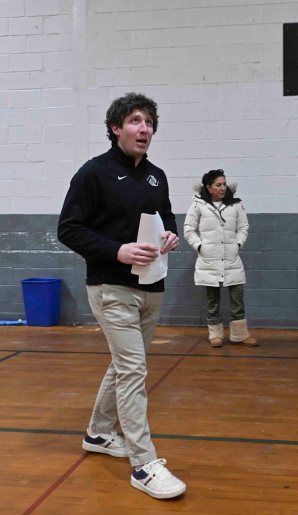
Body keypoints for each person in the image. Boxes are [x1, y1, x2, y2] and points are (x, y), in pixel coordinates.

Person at [57, 93, 186, 498]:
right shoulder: (92, 173)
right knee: (133, 370)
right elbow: (69, 229)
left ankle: (97, 434)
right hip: (111, 288)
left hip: (152, 286)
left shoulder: (156, 176)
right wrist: (117, 250)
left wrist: (170, 235)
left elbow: (166, 218)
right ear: (116, 128)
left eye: (148, 122)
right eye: (135, 121)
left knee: (127, 364)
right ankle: (143, 465)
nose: (144, 128)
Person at [183, 169, 257, 347]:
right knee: (213, 301)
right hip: (209, 261)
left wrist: (237, 244)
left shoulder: (236, 205)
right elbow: (188, 230)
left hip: (232, 260)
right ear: (209, 187)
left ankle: (239, 334)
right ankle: (215, 334)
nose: (223, 188)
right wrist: (200, 246)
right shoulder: (198, 205)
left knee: (237, 299)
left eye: (224, 184)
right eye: (218, 185)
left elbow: (243, 228)